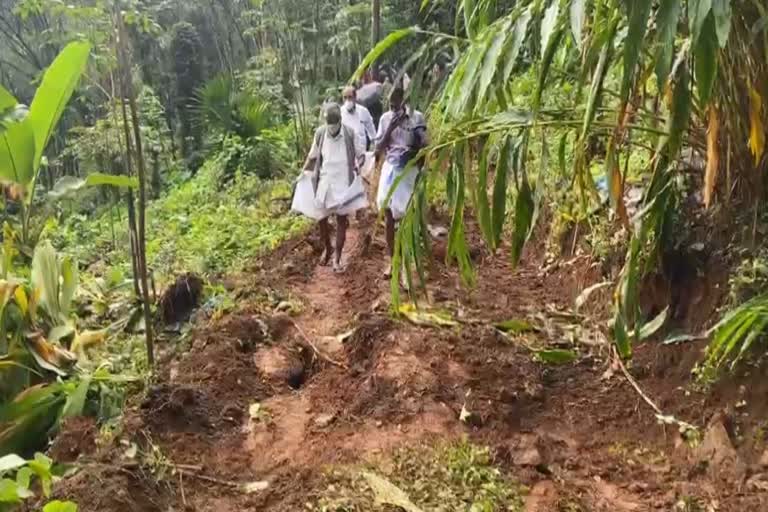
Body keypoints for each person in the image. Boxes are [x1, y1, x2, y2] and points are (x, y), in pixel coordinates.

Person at [292, 103, 367, 272]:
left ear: (340, 121)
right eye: (329, 124)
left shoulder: (349, 133)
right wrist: (302, 172)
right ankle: (328, 246)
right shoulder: (320, 134)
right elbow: (312, 157)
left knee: (341, 220)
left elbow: (360, 154)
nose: (331, 128)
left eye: (334, 124)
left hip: (344, 183)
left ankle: (337, 259)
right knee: (321, 218)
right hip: (325, 182)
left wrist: (358, 166)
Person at [375, 85, 428, 278]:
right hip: (391, 169)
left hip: (409, 171)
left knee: (406, 218)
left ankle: (407, 266)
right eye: (391, 105)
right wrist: (391, 127)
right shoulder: (385, 119)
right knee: (389, 216)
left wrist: (420, 143)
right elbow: (379, 148)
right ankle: (392, 261)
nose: (393, 108)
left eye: (397, 104)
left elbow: (424, 144)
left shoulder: (417, 118)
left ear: (405, 102)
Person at [341, 85, 376, 151]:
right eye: (345, 97)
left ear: (355, 97)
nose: (347, 100)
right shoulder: (340, 113)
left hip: (361, 148)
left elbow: (371, 128)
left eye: (350, 97)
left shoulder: (363, 111)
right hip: (345, 150)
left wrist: (373, 143)